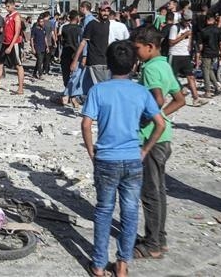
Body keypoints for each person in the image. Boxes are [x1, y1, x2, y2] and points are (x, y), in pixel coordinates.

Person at [81, 41, 166, 277]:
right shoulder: (141, 91)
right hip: (132, 158)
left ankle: (99, 264)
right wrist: (145, 150)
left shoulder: (98, 90)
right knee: (130, 211)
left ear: (108, 64)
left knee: (104, 210)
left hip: (106, 158)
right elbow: (160, 124)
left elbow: (86, 124)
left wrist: (91, 151)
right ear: (134, 64)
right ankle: (122, 264)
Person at [130, 27, 186, 260]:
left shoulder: (151, 69)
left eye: (137, 48)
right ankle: (159, 238)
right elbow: (180, 99)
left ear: (150, 47)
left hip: (150, 138)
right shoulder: (164, 65)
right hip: (163, 137)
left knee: (150, 192)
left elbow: (158, 99)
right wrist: (161, 118)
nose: (135, 53)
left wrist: (147, 119)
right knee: (159, 190)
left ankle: (152, 244)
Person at [70, 5, 113, 94]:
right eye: (103, 11)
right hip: (95, 61)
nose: (106, 13)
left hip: (105, 61)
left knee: (92, 85)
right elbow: (83, 42)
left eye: (108, 11)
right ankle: (70, 95)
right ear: (99, 11)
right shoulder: (92, 24)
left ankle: (74, 96)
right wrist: (75, 61)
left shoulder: (107, 23)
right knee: (101, 87)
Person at [168, 12, 206, 107]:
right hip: (175, 54)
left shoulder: (190, 26)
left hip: (185, 54)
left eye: (190, 20)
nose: (188, 22)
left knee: (191, 76)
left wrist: (189, 45)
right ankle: (180, 90)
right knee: (172, 76)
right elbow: (171, 42)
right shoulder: (175, 28)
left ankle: (196, 98)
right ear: (182, 19)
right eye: (187, 20)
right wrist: (184, 35)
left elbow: (190, 36)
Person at [0, 0, 25, 95]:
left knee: (18, 65)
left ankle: (20, 88)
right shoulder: (7, 17)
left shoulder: (16, 16)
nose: (7, 8)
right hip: (5, 42)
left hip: (14, 44)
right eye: (6, 6)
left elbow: (17, 32)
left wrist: (11, 46)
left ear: (13, 5)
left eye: (8, 6)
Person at [198, 14, 221, 99]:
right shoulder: (218, 30)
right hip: (215, 53)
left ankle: (207, 91)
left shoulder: (203, 31)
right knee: (210, 70)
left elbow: (200, 46)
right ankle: (217, 88)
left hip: (206, 53)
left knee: (205, 72)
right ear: (213, 20)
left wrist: (198, 55)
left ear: (207, 21)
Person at [58, 11, 82, 104]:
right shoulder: (80, 28)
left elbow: (61, 40)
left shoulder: (64, 27)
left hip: (66, 51)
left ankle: (67, 92)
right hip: (76, 52)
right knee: (75, 74)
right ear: (77, 18)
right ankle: (73, 94)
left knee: (66, 73)